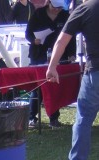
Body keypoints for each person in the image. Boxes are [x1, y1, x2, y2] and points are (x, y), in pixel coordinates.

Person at [46, 0, 99, 160]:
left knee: (83, 118)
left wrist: (52, 67)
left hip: (95, 73)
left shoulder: (84, 9)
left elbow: (62, 40)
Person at [25, 0, 76, 128]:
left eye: (59, 8)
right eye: (55, 7)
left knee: (54, 86)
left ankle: (54, 118)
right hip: (39, 54)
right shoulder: (38, 14)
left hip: (58, 55)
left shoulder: (65, 16)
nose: (57, 10)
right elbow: (28, 33)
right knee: (38, 88)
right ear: (49, 3)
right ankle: (32, 117)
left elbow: (71, 37)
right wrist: (33, 40)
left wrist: (71, 53)